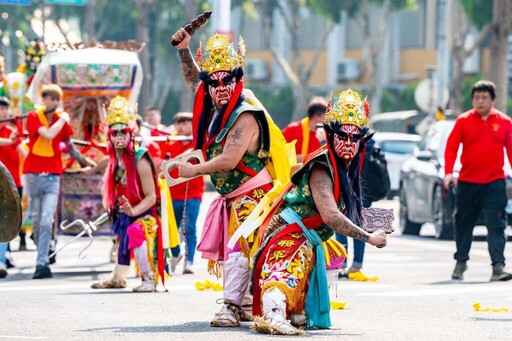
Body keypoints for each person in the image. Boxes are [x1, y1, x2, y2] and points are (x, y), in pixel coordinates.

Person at [171, 29, 290, 327]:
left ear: (239, 80)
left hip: (255, 196)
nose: (221, 88)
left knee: (238, 249)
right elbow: (194, 79)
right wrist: (184, 50)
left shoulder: (245, 114)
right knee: (239, 250)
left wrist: (192, 171)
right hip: (234, 197)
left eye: (228, 81)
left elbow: (228, 161)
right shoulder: (215, 106)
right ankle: (246, 303)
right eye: (216, 82)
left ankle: (232, 306)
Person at [250, 89, 387, 335]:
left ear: (361, 141)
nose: (347, 143)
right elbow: (331, 217)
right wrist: (369, 238)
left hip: (310, 235)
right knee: (285, 270)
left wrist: (376, 223)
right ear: (331, 136)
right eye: (342, 136)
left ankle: (294, 311)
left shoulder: (347, 167)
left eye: (354, 138)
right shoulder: (322, 166)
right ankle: (272, 313)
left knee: (323, 262)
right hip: (291, 231)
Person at [91, 96, 166, 292]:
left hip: (146, 215)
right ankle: (118, 277)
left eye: (122, 132)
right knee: (122, 231)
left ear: (131, 134)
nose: (118, 138)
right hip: (128, 212)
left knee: (134, 230)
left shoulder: (140, 158)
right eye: (113, 133)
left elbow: (151, 197)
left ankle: (148, 279)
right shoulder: (115, 160)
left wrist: (133, 211)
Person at [444, 80, 512, 282]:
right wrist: (448, 172)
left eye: (484, 98)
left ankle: (498, 266)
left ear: (493, 100)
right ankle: (461, 262)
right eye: (476, 98)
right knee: (464, 224)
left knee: (496, 224)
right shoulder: (463, 121)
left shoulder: (505, 122)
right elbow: (451, 148)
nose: (480, 101)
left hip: (494, 182)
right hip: (468, 182)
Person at [23, 84, 93, 279]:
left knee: (46, 220)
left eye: (56, 99)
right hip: (33, 175)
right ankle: (43, 252)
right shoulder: (33, 116)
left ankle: (42, 263)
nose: (53, 102)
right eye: (49, 98)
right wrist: (62, 119)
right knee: (37, 222)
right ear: (43, 99)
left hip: (53, 176)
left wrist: (88, 162)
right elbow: (48, 134)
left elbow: (70, 148)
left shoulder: (62, 122)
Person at [167, 112, 204, 274]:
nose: (182, 127)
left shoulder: (199, 142)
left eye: (186, 123)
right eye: (179, 123)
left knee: (189, 227)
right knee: (171, 229)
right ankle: (176, 253)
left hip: (193, 194)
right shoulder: (169, 143)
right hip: (172, 194)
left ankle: (189, 261)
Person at [282, 96, 327, 163]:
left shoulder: (325, 135)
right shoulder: (292, 129)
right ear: (315, 116)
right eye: (323, 116)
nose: (325, 120)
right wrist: (300, 158)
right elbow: (279, 152)